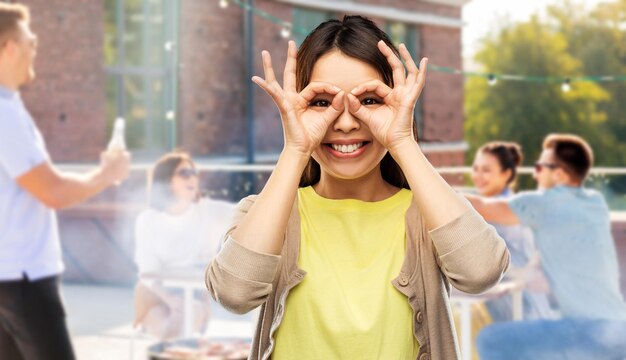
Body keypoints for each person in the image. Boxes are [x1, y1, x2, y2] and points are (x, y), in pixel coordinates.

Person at [206, 15, 509, 360]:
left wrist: (402, 139)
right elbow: (234, 293)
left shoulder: (429, 215)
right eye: (321, 102)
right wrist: (295, 148)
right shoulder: (266, 214)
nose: (347, 122)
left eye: (369, 100)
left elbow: (482, 272)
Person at [0, 3, 131, 360]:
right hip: (22, 280)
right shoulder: (5, 115)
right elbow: (53, 191)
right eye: (30, 41)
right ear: (9, 48)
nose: (34, 48)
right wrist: (107, 175)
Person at [466, 134, 626, 359]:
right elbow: (560, 252)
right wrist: (522, 281)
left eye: (541, 167)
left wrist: (424, 189)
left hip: (586, 331)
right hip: (618, 329)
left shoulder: (542, 204)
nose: (535, 172)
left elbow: (483, 206)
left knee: (490, 340)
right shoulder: (595, 203)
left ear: (559, 174)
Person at [134, 151, 234, 339]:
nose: (192, 178)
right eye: (184, 173)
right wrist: (170, 299)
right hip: (156, 294)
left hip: (195, 295)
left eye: (193, 172)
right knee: (169, 330)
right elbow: (146, 271)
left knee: (188, 315)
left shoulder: (208, 211)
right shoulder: (148, 220)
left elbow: (247, 214)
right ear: (166, 180)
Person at [471, 141, 554, 322]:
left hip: (523, 306)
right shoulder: (483, 206)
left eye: (486, 170)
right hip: (498, 304)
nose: (478, 176)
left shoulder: (508, 207)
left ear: (507, 174)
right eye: (476, 169)